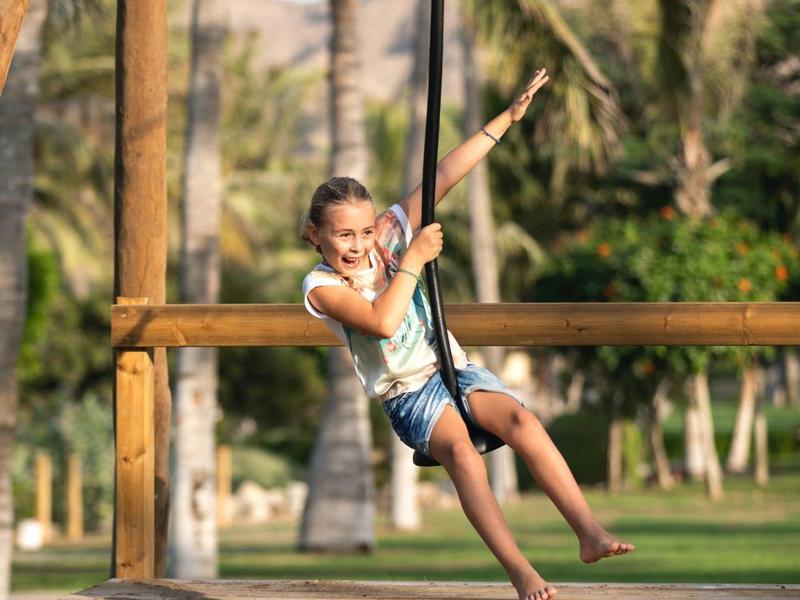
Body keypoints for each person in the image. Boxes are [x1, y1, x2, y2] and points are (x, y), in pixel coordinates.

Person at [301, 68, 633, 600]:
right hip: (406, 393)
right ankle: (522, 572)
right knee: (460, 454)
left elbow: (445, 174)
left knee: (522, 420)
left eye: (365, 232)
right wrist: (412, 258)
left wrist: (506, 118)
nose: (359, 244)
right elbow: (383, 321)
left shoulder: (387, 234)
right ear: (316, 235)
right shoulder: (321, 286)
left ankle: (588, 533)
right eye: (344, 234)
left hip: (450, 365)